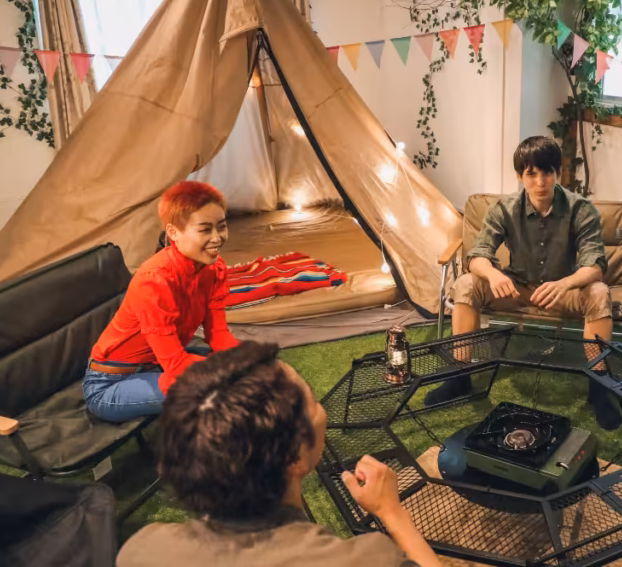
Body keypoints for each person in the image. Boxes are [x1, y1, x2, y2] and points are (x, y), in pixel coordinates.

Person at [117, 341, 442, 567]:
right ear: (294, 457)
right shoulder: (362, 559)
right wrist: (392, 512)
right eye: (312, 401)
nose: (321, 410)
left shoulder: (142, 549)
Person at [425, 135, 620, 430]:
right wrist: (493, 274)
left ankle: (599, 385)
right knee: (466, 283)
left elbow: (595, 265)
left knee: (598, 293)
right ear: (520, 176)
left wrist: (565, 284)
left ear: (558, 173)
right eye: (531, 173)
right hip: (515, 288)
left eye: (547, 172)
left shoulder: (580, 209)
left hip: (561, 290)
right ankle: (459, 376)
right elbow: (477, 256)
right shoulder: (504, 209)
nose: (540, 181)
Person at [83, 181, 240, 423]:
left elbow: (218, 335)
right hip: (109, 385)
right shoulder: (154, 281)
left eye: (222, 227)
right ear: (174, 233)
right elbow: (176, 364)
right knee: (221, 392)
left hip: (155, 365)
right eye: (205, 230)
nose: (217, 238)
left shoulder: (213, 268)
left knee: (247, 367)